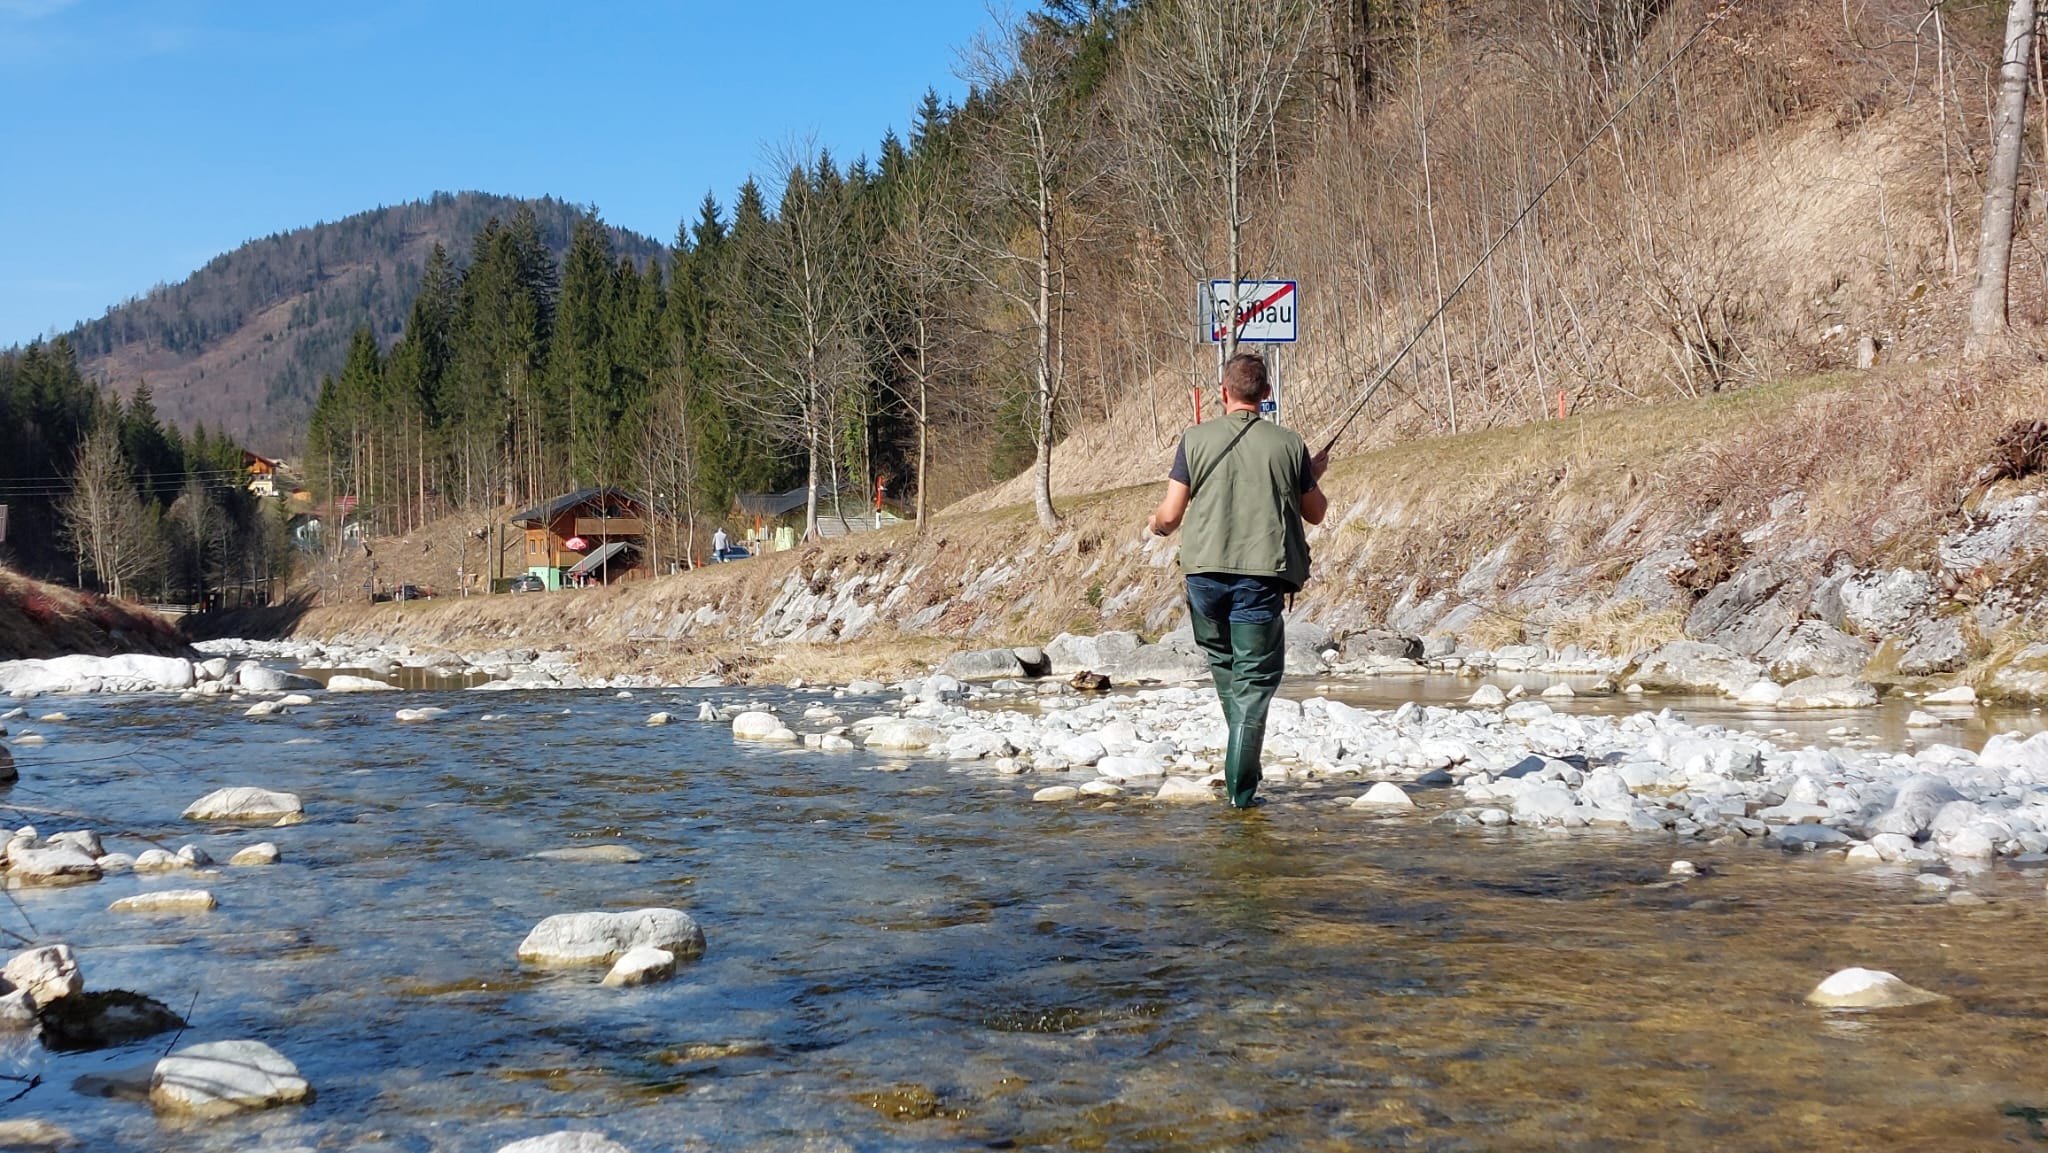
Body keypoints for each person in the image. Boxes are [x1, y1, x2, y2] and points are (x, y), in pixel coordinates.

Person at [1146, 353, 1328, 809]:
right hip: (1260, 575)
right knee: (1256, 678)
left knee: (1227, 667)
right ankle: (1241, 792)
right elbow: (1316, 513)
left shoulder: (1194, 439)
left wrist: (1154, 525)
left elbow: (1169, 516)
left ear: (1223, 392)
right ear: (1267, 395)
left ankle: (1239, 763)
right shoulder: (1289, 444)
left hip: (1203, 577)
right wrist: (1312, 473)